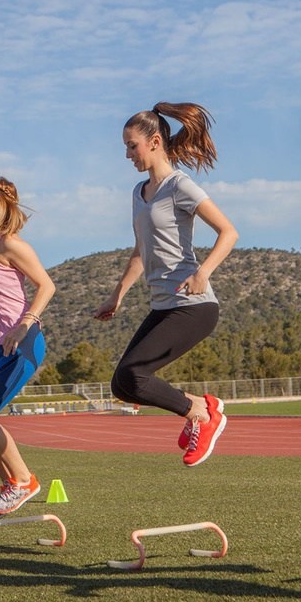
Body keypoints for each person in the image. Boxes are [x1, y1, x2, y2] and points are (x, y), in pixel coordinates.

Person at [94, 102, 238, 467]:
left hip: (193, 305)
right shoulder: (138, 194)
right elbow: (140, 253)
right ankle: (201, 408)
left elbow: (228, 232)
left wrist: (203, 271)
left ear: (155, 141)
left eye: (132, 146)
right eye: (125, 147)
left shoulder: (180, 185)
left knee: (133, 374)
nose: (127, 154)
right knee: (122, 385)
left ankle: (203, 415)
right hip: (162, 306)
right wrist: (117, 296)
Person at [0, 176, 56, 519]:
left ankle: (22, 481)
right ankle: (12, 484)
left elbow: (46, 286)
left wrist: (25, 324)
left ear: (2, 205)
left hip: (23, 344)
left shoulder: (11, 244)